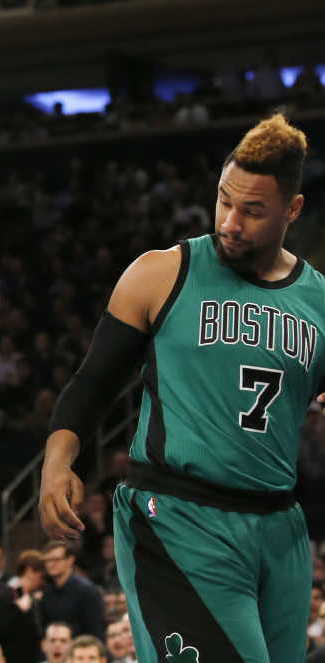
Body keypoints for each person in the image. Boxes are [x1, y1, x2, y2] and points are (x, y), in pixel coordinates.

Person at [40, 115, 325, 663]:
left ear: (293, 210)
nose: (231, 221)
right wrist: (57, 463)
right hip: (178, 517)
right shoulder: (160, 273)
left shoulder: (318, 303)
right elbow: (94, 382)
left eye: (253, 211)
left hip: (281, 531)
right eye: (224, 201)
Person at [0, 549, 46, 663]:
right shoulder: (6, 595)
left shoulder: (29, 596)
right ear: (29, 571)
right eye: (41, 577)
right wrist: (19, 611)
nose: (42, 582)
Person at [39, 543, 104, 640]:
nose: (50, 564)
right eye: (47, 560)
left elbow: (95, 629)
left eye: (56, 560)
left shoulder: (86, 590)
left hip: (80, 650)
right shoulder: (47, 592)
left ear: (70, 560)